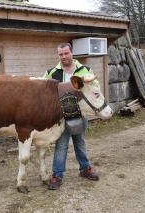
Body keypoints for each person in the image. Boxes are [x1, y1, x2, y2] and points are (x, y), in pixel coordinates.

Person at [43, 43, 99, 190]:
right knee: (61, 146)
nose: (64, 57)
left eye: (66, 53)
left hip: (80, 115)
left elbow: (95, 88)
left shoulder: (85, 71)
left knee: (80, 143)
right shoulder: (51, 73)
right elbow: (42, 91)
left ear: (72, 53)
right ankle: (57, 175)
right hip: (61, 118)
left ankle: (85, 168)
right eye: (61, 54)